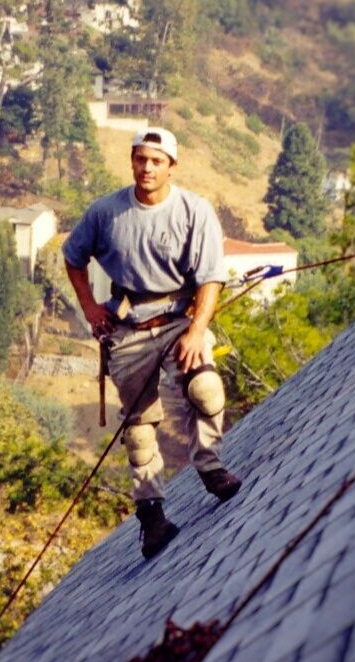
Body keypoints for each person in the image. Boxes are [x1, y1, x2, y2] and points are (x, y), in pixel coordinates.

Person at [62, 127, 242, 559]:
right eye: (141, 159)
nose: (147, 168)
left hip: (181, 319)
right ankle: (152, 514)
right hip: (130, 328)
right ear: (132, 161)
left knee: (206, 388)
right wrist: (89, 307)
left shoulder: (193, 211)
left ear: (171, 166)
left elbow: (211, 278)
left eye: (156, 161)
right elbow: (73, 258)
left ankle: (211, 465)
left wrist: (198, 331)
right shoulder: (106, 212)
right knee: (140, 429)